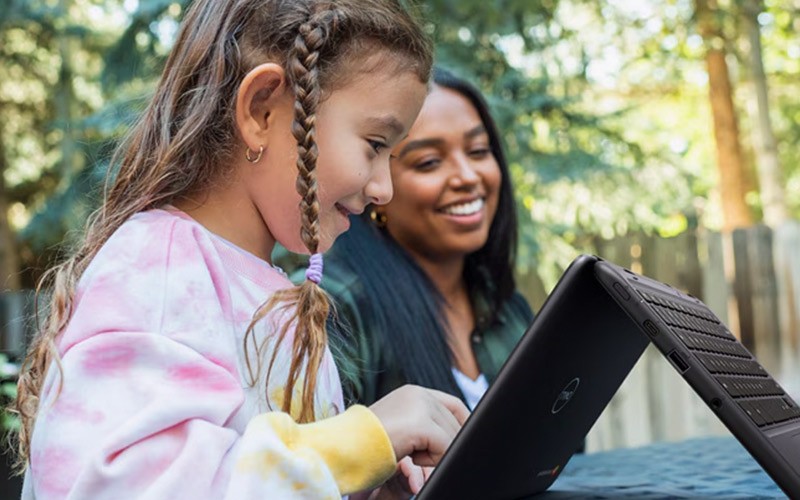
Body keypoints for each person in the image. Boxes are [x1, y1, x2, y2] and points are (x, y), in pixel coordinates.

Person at [13, 1, 470, 498]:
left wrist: (358, 484)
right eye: (375, 143)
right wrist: (358, 443)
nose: (384, 188)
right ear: (261, 110)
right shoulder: (160, 270)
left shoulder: (248, 282)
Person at [319, 67, 534, 411]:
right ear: (377, 184)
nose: (467, 177)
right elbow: (315, 456)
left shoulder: (507, 309)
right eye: (430, 162)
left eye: (478, 151)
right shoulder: (331, 309)